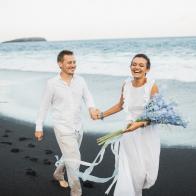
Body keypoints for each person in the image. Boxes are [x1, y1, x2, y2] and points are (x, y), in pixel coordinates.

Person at [34, 50, 98, 196]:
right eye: (69, 62)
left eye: (74, 62)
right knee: (74, 161)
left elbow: (88, 97)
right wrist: (39, 127)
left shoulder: (80, 80)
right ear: (60, 64)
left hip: (78, 126)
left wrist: (92, 109)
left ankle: (58, 174)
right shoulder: (51, 84)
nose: (73, 65)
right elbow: (43, 106)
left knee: (69, 156)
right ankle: (76, 192)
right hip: (62, 128)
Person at [97, 54, 160, 196]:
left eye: (141, 65)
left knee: (145, 172)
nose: (136, 67)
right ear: (130, 66)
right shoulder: (126, 84)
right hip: (129, 133)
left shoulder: (152, 86)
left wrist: (139, 125)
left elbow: (156, 116)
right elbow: (120, 105)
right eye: (134, 64)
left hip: (147, 133)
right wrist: (102, 115)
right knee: (131, 170)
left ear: (147, 69)